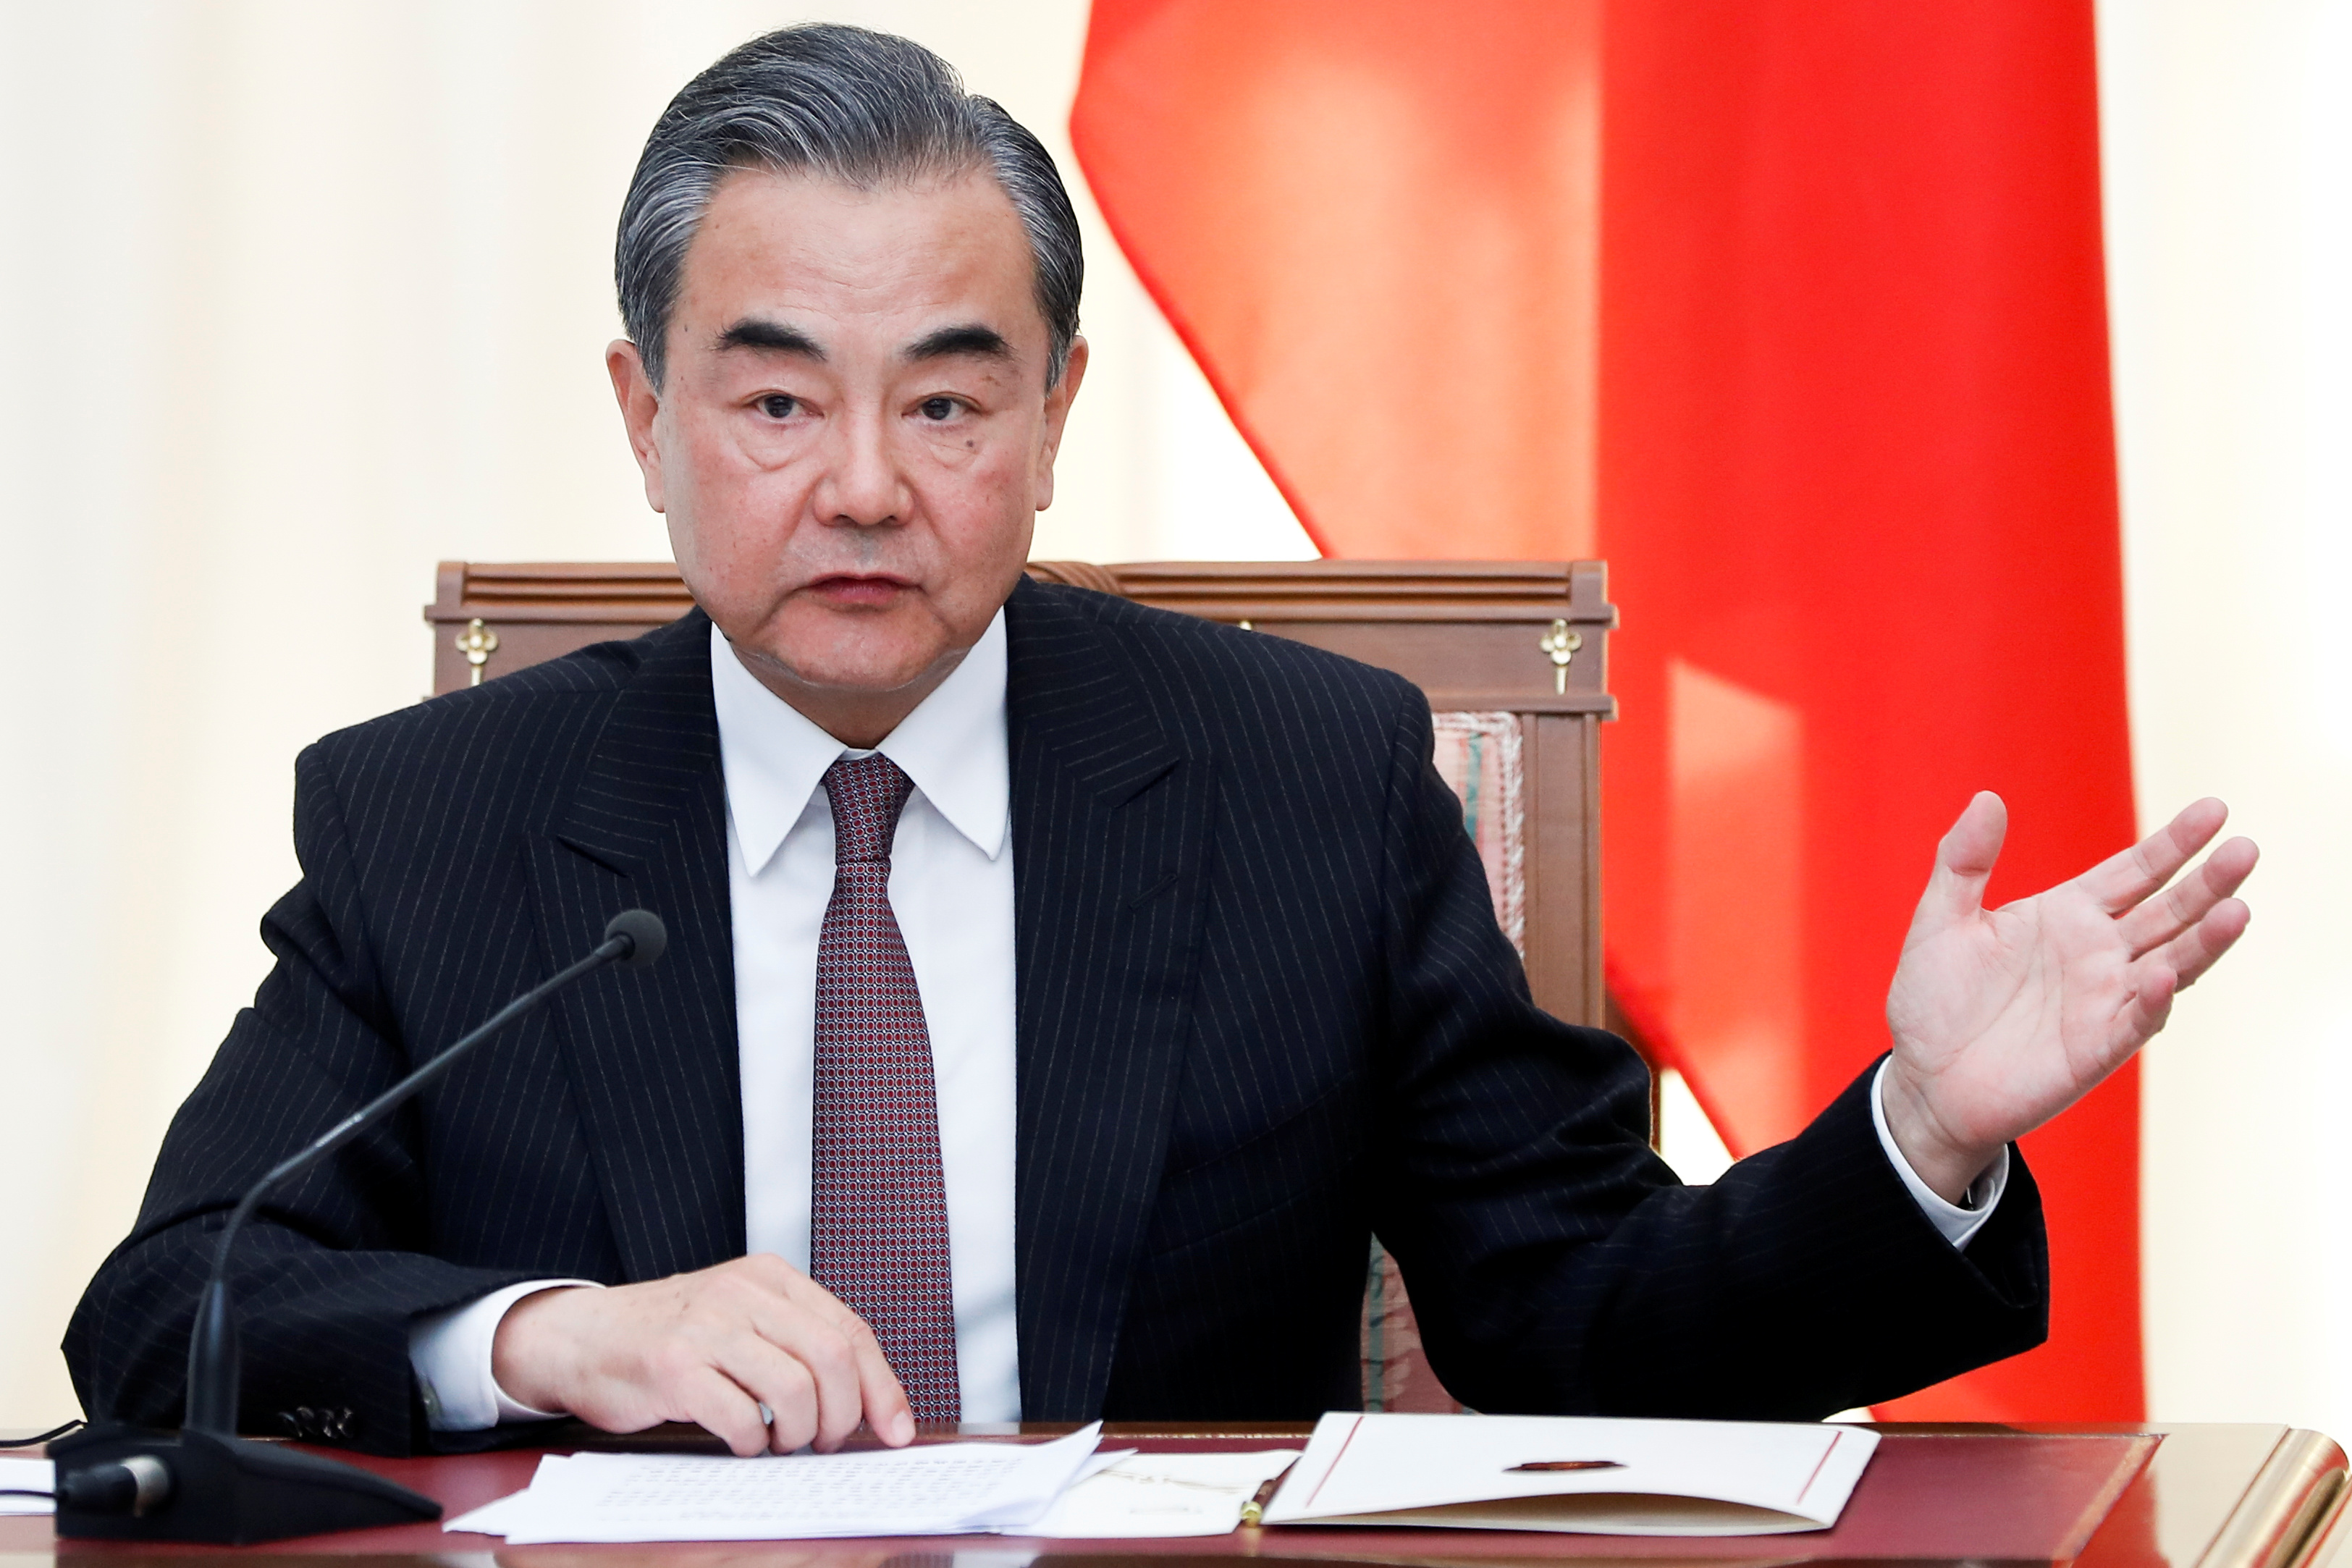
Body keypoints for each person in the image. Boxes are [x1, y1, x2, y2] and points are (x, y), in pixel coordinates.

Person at [65, 25, 2255, 1460]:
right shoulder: (440, 818)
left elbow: (1576, 1317)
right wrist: (553, 1335)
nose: (861, 485)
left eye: (946, 398)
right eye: (773, 399)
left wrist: (1922, 1131)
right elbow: (173, 1310)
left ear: (1052, 419)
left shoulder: (1304, 782)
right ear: (645, 418)